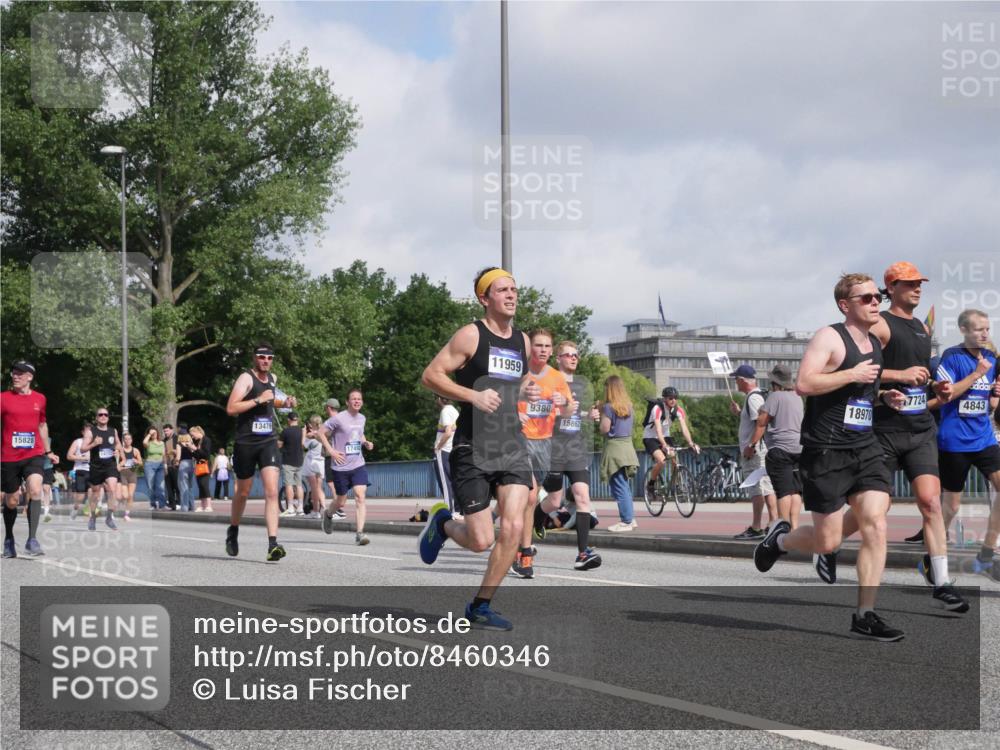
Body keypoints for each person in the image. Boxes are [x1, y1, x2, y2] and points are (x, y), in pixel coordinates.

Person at [753, 273, 906, 641]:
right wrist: (851, 372)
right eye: (867, 297)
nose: (875, 302)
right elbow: (805, 383)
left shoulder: (874, 342)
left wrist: (883, 397)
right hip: (827, 451)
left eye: (878, 296)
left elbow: (862, 391)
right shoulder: (830, 337)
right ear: (845, 304)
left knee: (876, 521)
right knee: (827, 542)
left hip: (865, 446)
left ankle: (865, 614)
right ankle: (781, 541)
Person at [419, 266, 540, 630]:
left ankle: (480, 605)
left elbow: (513, 384)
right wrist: (473, 395)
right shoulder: (471, 335)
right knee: (480, 540)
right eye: (503, 290)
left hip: (511, 443)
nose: (511, 295)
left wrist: (525, 391)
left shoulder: (523, 341)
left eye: (514, 289)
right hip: (472, 446)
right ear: (484, 298)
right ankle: (443, 525)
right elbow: (431, 375)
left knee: (515, 525)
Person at [869, 263, 969, 611]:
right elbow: (859, 372)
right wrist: (899, 377)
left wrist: (935, 386)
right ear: (892, 287)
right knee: (872, 511)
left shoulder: (921, 328)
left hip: (920, 428)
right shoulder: (880, 323)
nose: (917, 289)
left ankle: (941, 582)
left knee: (930, 502)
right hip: (883, 430)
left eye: (919, 284)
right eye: (910, 284)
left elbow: (918, 376)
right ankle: (829, 543)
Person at [933, 309, 1000, 582]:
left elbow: (990, 402)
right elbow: (946, 396)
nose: (984, 333)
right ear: (963, 329)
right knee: (951, 506)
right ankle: (935, 549)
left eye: (987, 328)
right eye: (978, 329)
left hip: (983, 438)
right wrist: (976, 375)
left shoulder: (993, 358)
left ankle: (985, 554)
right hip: (954, 441)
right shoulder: (951, 357)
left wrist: (995, 396)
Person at [511, 328, 573, 578]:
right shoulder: (518, 373)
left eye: (548, 346)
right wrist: (516, 412)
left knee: (541, 498)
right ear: (530, 348)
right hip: (518, 439)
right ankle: (524, 553)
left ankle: (516, 539)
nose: (543, 350)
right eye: (538, 345)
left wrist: (564, 403)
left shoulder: (557, 377)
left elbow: (568, 412)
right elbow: (499, 399)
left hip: (545, 443)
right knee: (530, 494)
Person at [225, 343, 296, 561]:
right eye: (262, 357)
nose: (266, 360)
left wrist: (286, 402)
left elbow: (272, 400)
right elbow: (231, 408)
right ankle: (233, 530)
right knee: (243, 492)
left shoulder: (273, 378)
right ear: (255, 358)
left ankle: (272, 544)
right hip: (246, 443)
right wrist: (257, 400)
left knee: (272, 491)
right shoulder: (246, 379)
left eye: (269, 357)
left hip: (268, 441)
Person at [540, 340, 603, 570]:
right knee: (554, 501)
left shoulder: (580, 385)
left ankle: (582, 553)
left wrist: (589, 415)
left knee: (582, 496)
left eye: (576, 355)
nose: (573, 358)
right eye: (568, 355)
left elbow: (574, 412)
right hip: (554, 448)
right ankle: (533, 525)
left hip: (575, 448)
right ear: (558, 359)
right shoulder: (549, 381)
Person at [1, 361, 59, 557]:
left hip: (33, 453)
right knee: (12, 500)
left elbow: (42, 426)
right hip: (8, 455)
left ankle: (32, 539)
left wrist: (48, 451)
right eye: (13, 373)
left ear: (30, 377)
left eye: (20, 373)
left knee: (35, 488)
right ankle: (9, 539)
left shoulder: (40, 399)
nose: (15, 376)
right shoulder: (3, 398)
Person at [746, 364, 803, 530]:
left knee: (783, 491)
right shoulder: (797, 396)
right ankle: (794, 527)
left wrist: (751, 445)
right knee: (795, 491)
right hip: (799, 449)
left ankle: (782, 528)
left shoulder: (775, 396)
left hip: (780, 450)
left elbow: (761, 422)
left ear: (776, 383)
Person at [320, 389, 374, 545]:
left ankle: (359, 534)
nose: (357, 401)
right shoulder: (338, 418)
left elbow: (359, 433)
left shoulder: (362, 418)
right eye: (353, 399)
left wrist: (365, 442)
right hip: (340, 467)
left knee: (360, 496)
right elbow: (321, 433)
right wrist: (331, 451)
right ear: (347, 402)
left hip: (358, 464)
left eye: (359, 399)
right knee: (341, 501)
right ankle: (329, 514)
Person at [730, 365, 778, 540]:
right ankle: (773, 524)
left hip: (755, 451)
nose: (735, 383)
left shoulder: (752, 398)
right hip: (760, 449)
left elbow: (761, 422)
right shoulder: (756, 397)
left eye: (736, 379)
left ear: (743, 380)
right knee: (766, 487)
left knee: (757, 488)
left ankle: (757, 527)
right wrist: (739, 413)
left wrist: (751, 445)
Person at [642, 386, 700, 507]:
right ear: (664, 399)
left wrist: (691, 443)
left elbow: (684, 428)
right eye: (670, 398)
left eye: (675, 398)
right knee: (662, 461)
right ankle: (651, 485)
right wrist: (664, 445)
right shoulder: (657, 409)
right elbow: (658, 430)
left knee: (674, 459)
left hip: (666, 436)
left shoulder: (678, 410)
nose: (673, 400)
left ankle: (675, 485)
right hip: (651, 437)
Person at [601, 375, 641, 532]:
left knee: (618, 485)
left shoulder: (609, 407)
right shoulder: (629, 406)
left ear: (609, 389)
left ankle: (626, 520)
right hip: (628, 447)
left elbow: (605, 429)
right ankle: (630, 518)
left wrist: (599, 419)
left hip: (615, 448)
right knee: (624, 485)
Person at [81, 406, 124, 532]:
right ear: (96, 418)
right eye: (100, 415)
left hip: (110, 465)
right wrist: (94, 444)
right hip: (96, 466)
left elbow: (118, 444)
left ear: (108, 417)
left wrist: (118, 452)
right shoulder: (91, 432)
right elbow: (83, 448)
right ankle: (93, 517)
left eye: (105, 414)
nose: (103, 416)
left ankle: (109, 517)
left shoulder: (113, 431)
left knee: (112, 489)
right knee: (95, 493)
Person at [433, 395, 459, 515]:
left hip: (444, 451)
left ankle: (450, 510)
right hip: (453, 451)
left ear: (439, 399)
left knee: (445, 482)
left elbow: (448, 432)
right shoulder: (454, 410)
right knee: (453, 480)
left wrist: (438, 446)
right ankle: (458, 509)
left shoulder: (445, 411)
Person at [321, 398, 346, 519]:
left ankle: (338, 508)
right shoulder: (343, 418)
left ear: (329, 408)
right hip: (342, 454)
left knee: (331, 483)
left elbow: (326, 435)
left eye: (326, 407)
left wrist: (316, 434)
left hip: (332, 455)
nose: (325, 410)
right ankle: (338, 507)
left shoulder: (332, 421)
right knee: (335, 483)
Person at [279, 412, 305, 516]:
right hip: (299, 461)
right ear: (297, 419)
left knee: (288, 485)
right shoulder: (302, 431)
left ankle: (290, 508)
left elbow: (279, 445)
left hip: (288, 461)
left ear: (289, 420)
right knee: (299, 485)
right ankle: (300, 507)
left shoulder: (285, 431)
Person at [302, 416, 327, 519]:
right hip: (321, 462)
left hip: (312, 462)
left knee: (314, 489)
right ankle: (324, 508)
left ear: (312, 424)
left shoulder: (312, 435)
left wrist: (303, 433)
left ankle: (315, 511)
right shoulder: (323, 433)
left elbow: (303, 445)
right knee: (319, 488)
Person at [66, 423, 91, 520]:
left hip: (92, 470)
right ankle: (76, 508)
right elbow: (69, 456)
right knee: (80, 496)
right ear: (82, 432)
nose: (88, 434)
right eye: (86, 431)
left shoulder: (95, 443)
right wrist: (81, 458)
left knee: (93, 491)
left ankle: (90, 514)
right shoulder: (77, 442)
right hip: (80, 470)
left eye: (90, 432)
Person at [117, 432, 143, 521]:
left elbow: (141, 462)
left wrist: (136, 461)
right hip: (123, 474)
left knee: (130, 495)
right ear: (123, 440)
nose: (127, 441)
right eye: (126, 439)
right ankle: (119, 502)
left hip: (132, 473)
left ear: (131, 440)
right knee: (125, 495)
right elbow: (116, 463)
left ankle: (127, 514)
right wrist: (119, 466)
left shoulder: (135, 450)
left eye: (129, 439)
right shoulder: (120, 451)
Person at [189, 426, 213, 512]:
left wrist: (195, 449)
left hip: (205, 465)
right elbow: (197, 455)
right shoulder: (198, 442)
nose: (192, 437)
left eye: (192, 435)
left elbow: (206, 454)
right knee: (200, 485)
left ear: (197, 432)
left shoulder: (206, 440)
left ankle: (209, 505)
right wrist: (191, 450)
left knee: (204, 485)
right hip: (199, 465)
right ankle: (203, 505)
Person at [142, 427, 166, 509]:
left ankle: (162, 504)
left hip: (160, 465)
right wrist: (149, 434)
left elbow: (163, 455)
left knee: (160, 485)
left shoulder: (162, 443)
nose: (153, 435)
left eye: (155, 433)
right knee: (150, 485)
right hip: (150, 465)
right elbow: (144, 442)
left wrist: (165, 464)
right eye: (152, 433)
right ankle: (153, 504)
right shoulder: (148, 443)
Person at [162, 423, 180, 510]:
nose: (166, 432)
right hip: (167, 465)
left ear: (172, 430)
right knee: (169, 486)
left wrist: (174, 451)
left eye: (167, 430)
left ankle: (179, 502)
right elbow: (163, 454)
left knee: (177, 485)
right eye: (164, 431)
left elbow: (181, 451)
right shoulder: (164, 440)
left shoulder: (177, 438)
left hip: (176, 465)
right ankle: (172, 504)